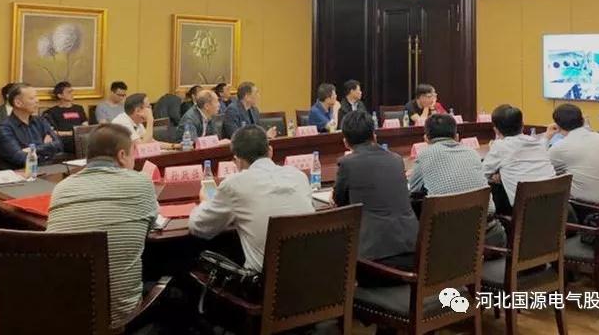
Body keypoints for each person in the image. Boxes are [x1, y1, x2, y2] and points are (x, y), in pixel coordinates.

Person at [47, 124, 158, 329]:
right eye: (133, 153)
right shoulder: (141, 182)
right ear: (122, 155)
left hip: (62, 313)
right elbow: (150, 227)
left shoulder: (61, 188)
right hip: (118, 318)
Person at [189, 125, 313, 271]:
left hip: (265, 281)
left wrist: (205, 201)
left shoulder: (234, 184)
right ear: (270, 151)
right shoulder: (298, 176)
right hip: (312, 274)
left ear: (237, 161)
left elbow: (199, 227)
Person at [333, 111, 418, 270]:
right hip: (413, 250)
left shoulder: (347, 164)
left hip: (375, 260)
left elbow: (339, 202)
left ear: (346, 142)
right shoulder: (396, 159)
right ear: (374, 136)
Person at [409, 114, 506, 247]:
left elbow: (413, 190)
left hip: (450, 241)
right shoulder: (472, 153)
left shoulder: (424, 155)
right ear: (457, 137)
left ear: (426, 139)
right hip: (491, 235)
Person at [481, 104, 555, 209]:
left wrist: (495, 176)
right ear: (522, 125)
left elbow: (481, 174)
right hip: (556, 207)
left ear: (496, 130)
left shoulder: (500, 146)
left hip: (526, 212)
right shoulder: (536, 142)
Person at [547, 103, 599, 204]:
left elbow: (542, 169)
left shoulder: (560, 148)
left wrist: (547, 138)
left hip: (587, 207)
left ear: (558, 126)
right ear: (582, 120)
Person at [0, 83, 63, 168]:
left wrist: (31, 149)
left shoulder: (41, 121)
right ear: (18, 103)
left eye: (36, 97)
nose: (37, 100)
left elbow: (59, 145)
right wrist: (45, 147)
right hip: (18, 172)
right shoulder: (4, 128)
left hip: (44, 169)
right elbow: (20, 158)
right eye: (32, 98)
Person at [42, 81, 88, 154]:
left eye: (72, 91)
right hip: (65, 139)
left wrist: (80, 133)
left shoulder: (79, 108)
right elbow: (52, 132)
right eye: (69, 92)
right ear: (60, 95)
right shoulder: (51, 112)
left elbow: (85, 125)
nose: (72, 94)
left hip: (81, 137)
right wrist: (70, 133)